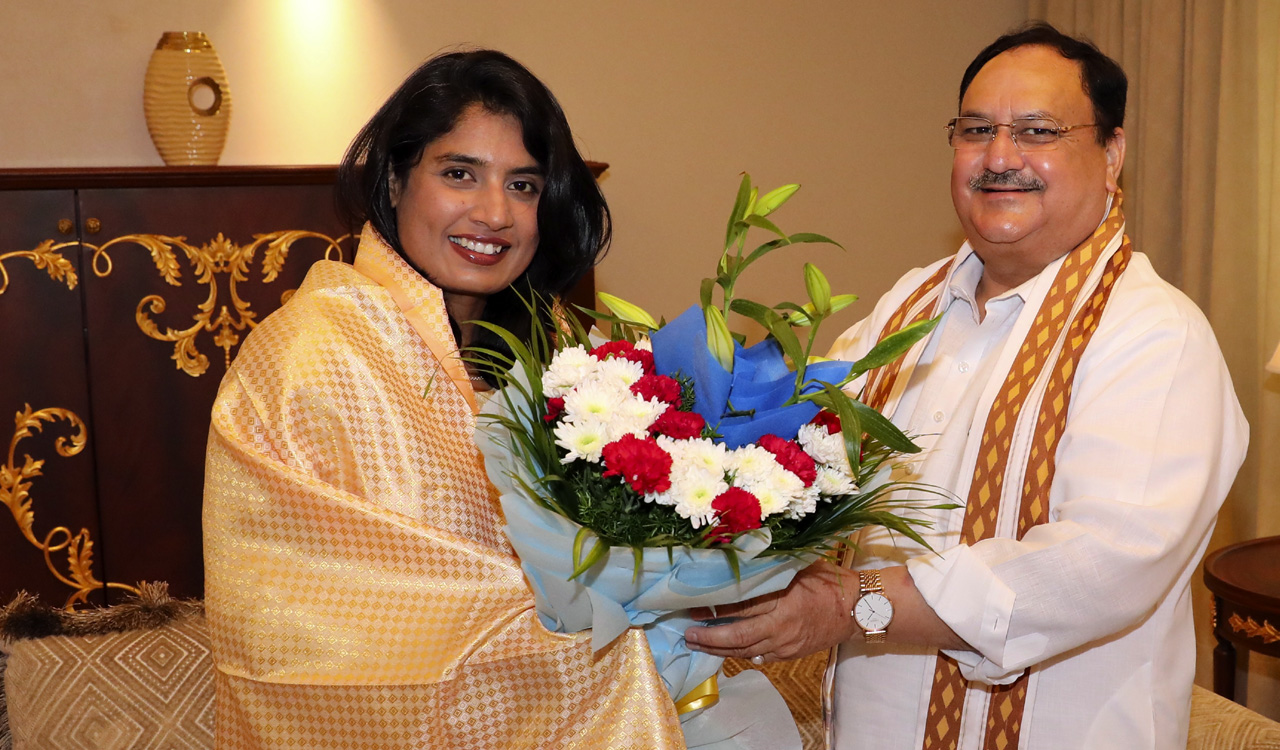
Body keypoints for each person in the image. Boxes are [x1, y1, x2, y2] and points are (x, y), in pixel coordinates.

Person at [684, 22, 1248, 749]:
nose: (1000, 157)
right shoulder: (908, 305)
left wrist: (853, 604)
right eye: (977, 129)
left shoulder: (1155, 336)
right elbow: (804, 454)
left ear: (1113, 154)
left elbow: (1101, 561)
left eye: (1039, 131)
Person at [203, 50, 685, 748]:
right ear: (396, 179)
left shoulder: (572, 360)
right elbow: (302, 622)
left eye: (523, 185)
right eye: (460, 174)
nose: (494, 213)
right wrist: (600, 638)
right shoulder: (311, 354)